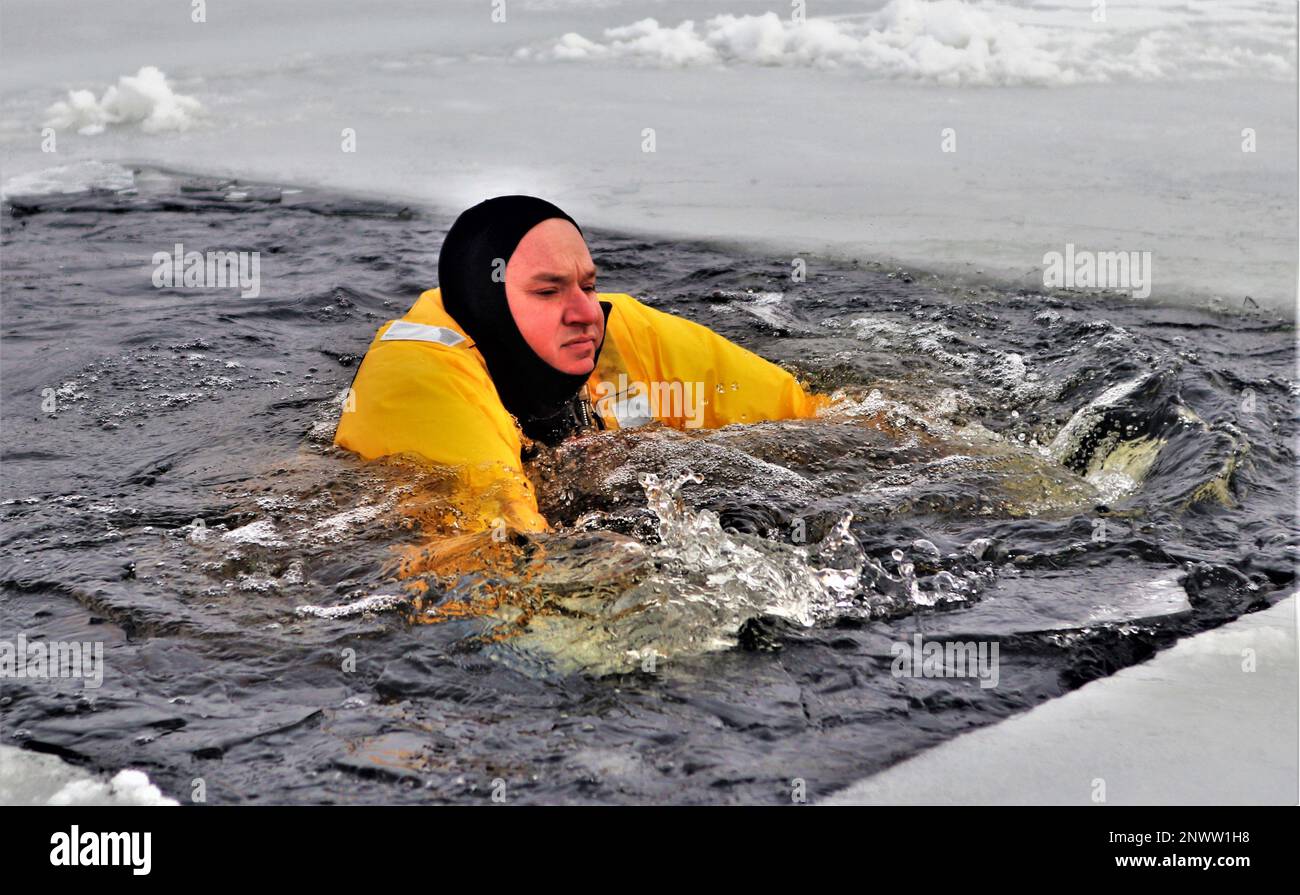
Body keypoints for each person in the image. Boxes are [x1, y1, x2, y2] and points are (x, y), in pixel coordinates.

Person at [334, 195, 825, 533]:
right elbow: (498, 556)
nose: (587, 312)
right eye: (548, 291)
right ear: (487, 306)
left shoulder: (620, 335)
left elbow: (824, 422)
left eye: (588, 286)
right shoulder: (422, 386)